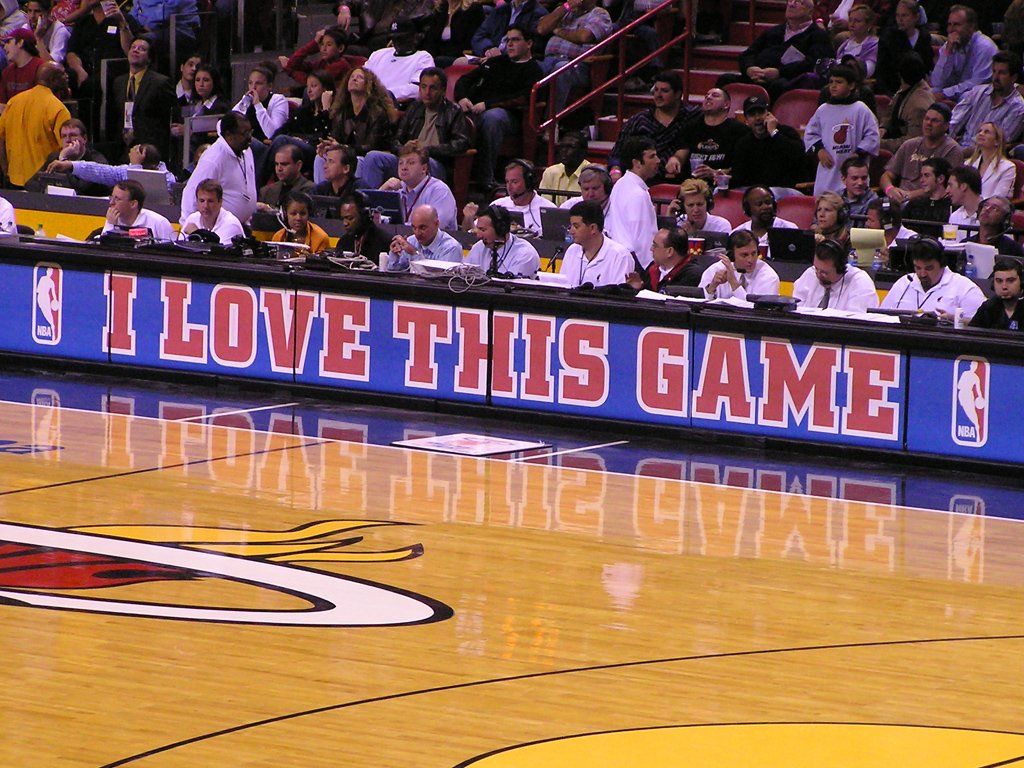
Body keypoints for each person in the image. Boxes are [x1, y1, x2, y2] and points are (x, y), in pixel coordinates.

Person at [453, 24, 543, 190]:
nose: (509, 44)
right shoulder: (497, 62)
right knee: (452, 112)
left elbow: (522, 98)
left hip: (510, 117)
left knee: (492, 118)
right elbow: (465, 80)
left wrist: (488, 105)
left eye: (515, 40)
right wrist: (462, 98)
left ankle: (485, 179)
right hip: (476, 109)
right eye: (507, 40)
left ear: (529, 43)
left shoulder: (534, 70)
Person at [358, 67, 469, 188]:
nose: (427, 92)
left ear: (443, 90)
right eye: (423, 87)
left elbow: (461, 143)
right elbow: (395, 139)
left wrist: (426, 150)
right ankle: (367, 202)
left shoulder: (453, 111)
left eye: (433, 88)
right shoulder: (414, 107)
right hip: (406, 159)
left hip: (433, 162)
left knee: (421, 164)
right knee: (373, 157)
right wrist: (403, 148)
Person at [716, 0, 833, 101]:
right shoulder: (773, 31)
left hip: (787, 80)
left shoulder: (818, 36)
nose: (792, 4)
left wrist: (779, 73)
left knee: (779, 86)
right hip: (756, 76)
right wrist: (749, 69)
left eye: (799, 2)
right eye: (790, 1)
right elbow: (749, 53)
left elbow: (813, 64)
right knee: (726, 80)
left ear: (810, 12)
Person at [804, 63, 880, 196]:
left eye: (839, 82)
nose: (833, 86)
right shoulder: (823, 110)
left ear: (851, 86)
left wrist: (859, 153)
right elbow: (810, 134)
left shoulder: (861, 109)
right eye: (831, 82)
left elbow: (873, 136)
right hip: (828, 171)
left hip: (853, 170)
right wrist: (819, 150)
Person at [608, 71, 694, 183]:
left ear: (678, 94)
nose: (658, 95)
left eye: (664, 91)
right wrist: (616, 171)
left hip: (682, 182)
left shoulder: (692, 117)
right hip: (643, 181)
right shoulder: (640, 120)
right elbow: (617, 153)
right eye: (656, 90)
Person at [879, 235, 984, 320]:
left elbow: (979, 327)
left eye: (929, 268)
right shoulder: (904, 283)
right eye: (918, 268)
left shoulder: (965, 289)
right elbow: (880, 317)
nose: (922, 274)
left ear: (942, 263)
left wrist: (954, 320)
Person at [179, 111, 257, 226]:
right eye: (244, 134)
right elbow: (190, 194)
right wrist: (189, 228)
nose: (250, 138)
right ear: (229, 135)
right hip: (218, 229)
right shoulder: (213, 159)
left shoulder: (246, 150)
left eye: (250, 132)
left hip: (242, 227)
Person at [0, 61, 69, 188]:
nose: (67, 77)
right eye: (63, 74)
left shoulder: (13, 102)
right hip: (42, 183)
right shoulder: (58, 109)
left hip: (12, 180)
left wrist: (5, 170)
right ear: (53, 80)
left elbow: (1, 140)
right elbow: (66, 150)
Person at [536, 0, 613, 113]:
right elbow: (541, 29)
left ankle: (551, 124)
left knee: (561, 69)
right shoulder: (564, 11)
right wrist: (566, 7)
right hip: (549, 60)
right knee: (529, 67)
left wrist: (558, 31)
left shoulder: (600, 14)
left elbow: (584, 37)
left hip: (577, 66)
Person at [881, 103, 964, 204]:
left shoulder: (952, 150)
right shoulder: (909, 145)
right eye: (926, 119)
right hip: (900, 199)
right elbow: (887, 175)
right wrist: (890, 189)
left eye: (935, 121)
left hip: (931, 203)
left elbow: (946, 187)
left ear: (946, 126)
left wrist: (910, 195)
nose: (929, 123)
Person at [111, 37, 176, 162]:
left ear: (149, 58)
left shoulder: (160, 82)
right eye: (133, 47)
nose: (136, 50)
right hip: (124, 148)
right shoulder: (118, 82)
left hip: (150, 149)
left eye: (141, 49)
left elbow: (169, 117)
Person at [729, 94, 808, 192]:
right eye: (752, 114)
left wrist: (773, 132)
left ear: (769, 115)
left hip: (786, 190)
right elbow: (739, 177)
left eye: (761, 113)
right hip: (754, 192)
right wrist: (722, 178)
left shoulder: (786, 133)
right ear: (746, 121)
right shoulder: (744, 143)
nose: (758, 118)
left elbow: (798, 155)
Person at [670, 87, 748, 185]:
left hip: (721, 186)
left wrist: (714, 173)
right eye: (706, 96)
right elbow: (681, 152)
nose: (708, 97)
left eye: (715, 96)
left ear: (726, 105)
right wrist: (675, 159)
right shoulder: (691, 127)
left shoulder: (739, 130)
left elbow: (740, 167)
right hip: (690, 184)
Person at [948, 51, 1024, 149]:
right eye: (994, 71)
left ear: (1014, 77)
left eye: (1002, 73)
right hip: (957, 148)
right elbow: (954, 123)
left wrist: (962, 154)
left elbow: (998, 144)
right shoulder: (978, 92)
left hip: (984, 156)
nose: (995, 77)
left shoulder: (1018, 108)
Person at [605, 136, 659, 268]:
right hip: (635, 264)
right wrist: (651, 270)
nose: (658, 161)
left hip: (619, 259)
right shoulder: (638, 194)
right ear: (637, 163)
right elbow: (642, 241)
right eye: (652, 157)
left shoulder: (620, 184)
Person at [47, 141, 175, 195]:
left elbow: (141, 189)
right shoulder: (125, 170)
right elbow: (100, 171)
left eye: (138, 153)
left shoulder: (167, 178)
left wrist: (136, 166)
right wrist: (70, 164)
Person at [380, 141, 458, 230]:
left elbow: (434, 227)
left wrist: (401, 228)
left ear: (424, 168)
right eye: (401, 163)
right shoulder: (396, 189)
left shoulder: (439, 191)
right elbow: (376, 220)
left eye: (411, 163)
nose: (404, 167)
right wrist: (382, 190)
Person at [557, 200, 634, 288]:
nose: (571, 231)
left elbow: (621, 296)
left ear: (593, 228)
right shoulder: (572, 251)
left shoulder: (620, 256)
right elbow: (562, 287)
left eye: (576, 226)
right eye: (571, 226)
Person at [931, 5, 998, 103]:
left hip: (979, 96)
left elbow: (977, 83)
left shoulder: (985, 47)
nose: (951, 29)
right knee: (931, 92)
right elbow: (937, 82)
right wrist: (947, 53)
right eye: (949, 24)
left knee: (967, 96)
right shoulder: (949, 45)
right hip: (955, 92)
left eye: (956, 24)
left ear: (971, 26)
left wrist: (945, 93)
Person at [25, 117, 108, 195]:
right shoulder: (54, 157)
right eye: (64, 136)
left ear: (84, 139)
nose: (68, 140)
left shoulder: (96, 160)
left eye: (73, 135)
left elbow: (79, 189)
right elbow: (30, 184)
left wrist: (63, 160)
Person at [792, 239, 879, 311]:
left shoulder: (861, 283)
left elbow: (857, 322)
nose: (818, 275)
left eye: (824, 272)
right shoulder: (810, 273)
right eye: (816, 268)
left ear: (841, 268)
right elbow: (795, 309)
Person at [326, 66, 396, 157]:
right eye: (352, 77)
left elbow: (372, 146)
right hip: (346, 155)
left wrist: (343, 148)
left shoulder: (377, 113)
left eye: (360, 77)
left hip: (367, 157)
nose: (354, 79)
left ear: (368, 84)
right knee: (321, 156)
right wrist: (327, 145)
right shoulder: (342, 112)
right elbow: (335, 138)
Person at [232, 63, 289, 170]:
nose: (253, 88)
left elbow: (272, 134)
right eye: (250, 83)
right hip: (245, 147)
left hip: (267, 149)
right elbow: (224, 123)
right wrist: (243, 104)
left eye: (258, 83)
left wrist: (258, 105)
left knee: (247, 141)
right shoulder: (246, 100)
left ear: (269, 86)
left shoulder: (278, 100)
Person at [365, 19, 435, 104]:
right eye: (394, 38)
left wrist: (383, 95)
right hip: (369, 102)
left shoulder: (423, 58)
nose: (397, 42)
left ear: (413, 37)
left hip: (397, 106)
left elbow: (416, 90)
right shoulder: (378, 54)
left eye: (401, 38)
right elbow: (362, 76)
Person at [699, 228, 780, 300]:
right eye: (744, 255)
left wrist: (733, 282)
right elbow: (699, 304)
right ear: (731, 256)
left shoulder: (769, 277)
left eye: (754, 253)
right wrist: (712, 287)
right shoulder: (715, 270)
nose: (750, 260)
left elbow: (757, 312)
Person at [876, 0, 934, 96]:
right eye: (897, 15)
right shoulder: (888, 38)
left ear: (916, 17)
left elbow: (928, 67)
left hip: (920, 90)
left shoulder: (924, 37)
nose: (900, 19)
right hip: (894, 90)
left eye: (904, 15)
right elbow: (882, 72)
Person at [464, 204, 540, 276]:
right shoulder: (479, 247)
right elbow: (464, 276)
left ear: (500, 229)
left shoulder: (525, 254)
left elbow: (514, 287)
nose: (478, 236)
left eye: (483, 230)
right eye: (478, 230)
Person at [879, 52, 934, 153]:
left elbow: (912, 142)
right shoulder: (907, 86)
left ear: (900, 74)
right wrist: (884, 127)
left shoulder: (919, 107)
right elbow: (890, 111)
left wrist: (881, 143)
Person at [484, 159, 555, 235]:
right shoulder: (497, 206)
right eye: (507, 182)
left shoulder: (549, 210)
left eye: (514, 182)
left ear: (529, 182)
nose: (509, 187)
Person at [626, 227, 705, 292]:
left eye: (655, 245)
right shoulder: (653, 268)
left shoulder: (691, 275)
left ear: (669, 251)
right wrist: (638, 288)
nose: (651, 249)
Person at [387, 203, 463, 270]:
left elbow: (439, 278)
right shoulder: (411, 241)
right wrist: (395, 254)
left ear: (436, 224)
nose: (417, 233)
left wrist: (414, 253)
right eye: (414, 227)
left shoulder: (451, 248)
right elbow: (394, 270)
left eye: (422, 228)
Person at [732, 185, 798, 258]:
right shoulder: (737, 233)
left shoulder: (790, 229)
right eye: (759, 204)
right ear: (747, 209)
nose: (765, 207)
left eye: (768, 202)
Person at [101, 178, 175, 240]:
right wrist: (110, 225)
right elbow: (102, 250)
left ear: (133, 204)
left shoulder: (159, 223)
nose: (111, 202)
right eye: (111, 197)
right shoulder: (112, 219)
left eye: (117, 199)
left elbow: (173, 252)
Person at [279, 24, 351, 87]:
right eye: (322, 44)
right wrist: (314, 43)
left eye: (329, 45)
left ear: (340, 48)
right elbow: (293, 64)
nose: (324, 48)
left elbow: (314, 84)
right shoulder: (323, 62)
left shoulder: (340, 65)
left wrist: (290, 71)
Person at [470, 0, 546, 59]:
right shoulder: (500, 10)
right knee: (460, 61)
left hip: (512, 61)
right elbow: (478, 37)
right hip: (489, 57)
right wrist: (488, 49)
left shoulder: (539, 13)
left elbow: (531, 47)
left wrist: (501, 56)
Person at [181, 179, 246, 244]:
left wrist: (197, 233)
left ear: (220, 202)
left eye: (210, 201)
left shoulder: (231, 224)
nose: (205, 206)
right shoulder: (192, 219)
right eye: (202, 201)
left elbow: (217, 252)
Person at [424, 0, 485, 67]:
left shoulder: (474, 9)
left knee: (438, 61)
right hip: (439, 56)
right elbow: (431, 40)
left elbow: (472, 41)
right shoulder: (440, 9)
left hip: (460, 56)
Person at [902, 157, 953, 236]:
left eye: (926, 175)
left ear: (940, 179)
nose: (921, 180)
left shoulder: (952, 207)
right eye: (921, 175)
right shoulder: (915, 204)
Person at [969, 256, 1024, 330]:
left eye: (1010, 280)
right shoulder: (988, 307)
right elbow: (972, 335)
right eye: (999, 281)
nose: (1004, 286)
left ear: (1022, 282)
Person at [258, 144, 315, 212]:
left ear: (298, 165)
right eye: (276, 164)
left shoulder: (310, 189)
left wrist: (270, 210)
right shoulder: (266, 191)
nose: (279, 168)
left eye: (284, 164)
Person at [337, 191, 392, 258]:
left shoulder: (384, 242)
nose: (345, 223)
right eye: (343, 219)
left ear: (364, 215)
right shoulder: (343, 243)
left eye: (350, 218)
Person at [539, 131, 590, 205]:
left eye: (570, 147)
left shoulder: (593, 174)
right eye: (562, 146)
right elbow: (544, 205)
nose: (564, 151)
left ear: (583, 152)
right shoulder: (550, 172)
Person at [0, 27, 42, 105]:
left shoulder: (41, 68)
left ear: (20, 42)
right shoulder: (6, 72)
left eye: (8, 42)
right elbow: (2, 105)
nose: (5, 47)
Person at [835, 5, 878, 77]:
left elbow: (867, 71)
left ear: (869, 25)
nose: (852, 24)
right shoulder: (845, 45)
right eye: (850, 20)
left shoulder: (874, 45)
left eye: (857, 21)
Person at [25, 0, 70, 65]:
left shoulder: (61, 32)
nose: (32, 16)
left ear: (48, 12)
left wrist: (39, 39)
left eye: (37, 11)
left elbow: (52, 67)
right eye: (29, 11)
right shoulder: (26, 28)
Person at [946, 164, 983, 241]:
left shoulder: (993, 213)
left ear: (963, 186)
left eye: (950, 185)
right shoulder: (954, 217)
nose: (947, 191)